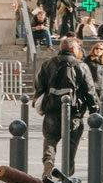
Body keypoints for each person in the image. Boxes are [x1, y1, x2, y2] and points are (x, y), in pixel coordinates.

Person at [34, 38, 97, 173]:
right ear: (74, 50)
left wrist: (38, 101)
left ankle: (49, 161)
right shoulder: (81, 66)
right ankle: (67, 172)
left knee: (50, 139)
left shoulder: (48, 64)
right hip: (74, 111)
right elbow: (90, 90)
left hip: (52, 109)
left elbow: (39, 86)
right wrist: (94, 109)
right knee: (71, 144)